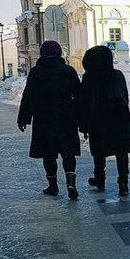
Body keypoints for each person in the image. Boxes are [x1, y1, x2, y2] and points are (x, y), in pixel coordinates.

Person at [17, 40, 81, 199]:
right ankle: (71, 182)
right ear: (59, 53)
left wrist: (23, 118)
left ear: (42, 54)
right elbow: (79, 96)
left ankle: (53, 185)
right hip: (66, 117)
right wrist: (81, 120)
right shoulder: (68, 71)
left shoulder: (36, 72)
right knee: (68, 152)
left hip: (43, 118)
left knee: (48, 153)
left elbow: (28, 96)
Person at [78, 45, 130, 196]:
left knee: (99, 151)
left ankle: (99, 178)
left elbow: (85, 102)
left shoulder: (90, 77)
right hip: (120, 116)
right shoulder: (118, 75)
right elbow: (125, 95)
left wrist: (85, 125)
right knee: (121, 151)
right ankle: (123, 183)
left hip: (100, 118)